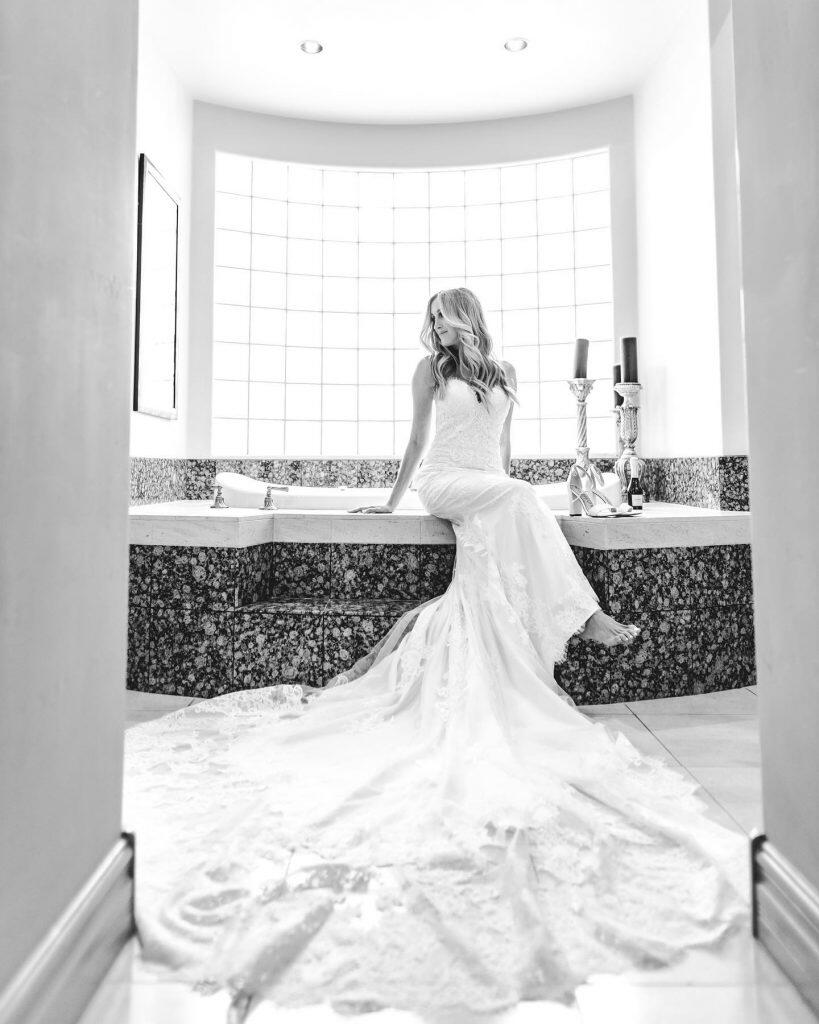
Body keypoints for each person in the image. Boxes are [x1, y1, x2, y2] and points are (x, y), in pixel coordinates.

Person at [123, 288, 747, 1021]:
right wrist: (392, 503)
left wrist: (509, 483)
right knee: (514, 501)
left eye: (445, 313)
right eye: (431, 316)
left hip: (488, 487)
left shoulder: (504, 371)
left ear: (468, 314)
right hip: (443, 485)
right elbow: (420, 442)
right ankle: (585, 617)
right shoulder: (430, 369)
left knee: (491, 555)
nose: (436, 323)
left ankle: (568, 620)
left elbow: (505, 455)